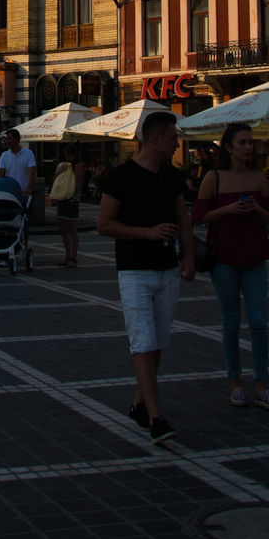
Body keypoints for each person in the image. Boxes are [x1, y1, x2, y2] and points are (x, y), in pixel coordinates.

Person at [97, 111, 194, 444]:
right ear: (155, 138)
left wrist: (189, 255)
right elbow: (104, 224)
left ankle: (139, 404)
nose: (177, 142)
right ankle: (156, 418)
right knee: (143, 342)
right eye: (173, 137)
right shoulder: (121, 176)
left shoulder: (173, 176)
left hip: (167, 269)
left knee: (158, 344)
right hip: (134, 269)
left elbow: (184, 219)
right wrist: (147, 233)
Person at [192, 123, 269, 410]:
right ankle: (235, 382)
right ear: (228, 147)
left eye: (250, 143)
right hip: (225, 257)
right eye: (242, 143)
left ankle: (262, 385)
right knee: (230, 323)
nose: (248, 147)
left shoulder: (259, 178)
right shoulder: (213, 178)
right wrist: (228, 210)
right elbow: (199, 216)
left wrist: (257, 210)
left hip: (254, 253)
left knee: (259, 323)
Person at [49, 142, 84, 267]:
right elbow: (56, 181)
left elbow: (78, 183)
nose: (67, 158)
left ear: (74, 155)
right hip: (63, 198)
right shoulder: (63, 165)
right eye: (65, 156)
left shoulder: (78, 165)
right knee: (62, 228)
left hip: (72, 199)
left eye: (69, 155)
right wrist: (58, 172)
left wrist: (71, 193)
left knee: (72, 228)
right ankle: (67, 255)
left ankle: (73, 257)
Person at [0, 128, 37, 204]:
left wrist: (29, 188)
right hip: (9, 192)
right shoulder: (4, 155)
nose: (6, 141)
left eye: (8, 139)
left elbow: (33, 171)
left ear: (16, 139)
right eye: (6, 139)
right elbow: (0, 173)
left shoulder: (28, 153)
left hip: (23, 192)